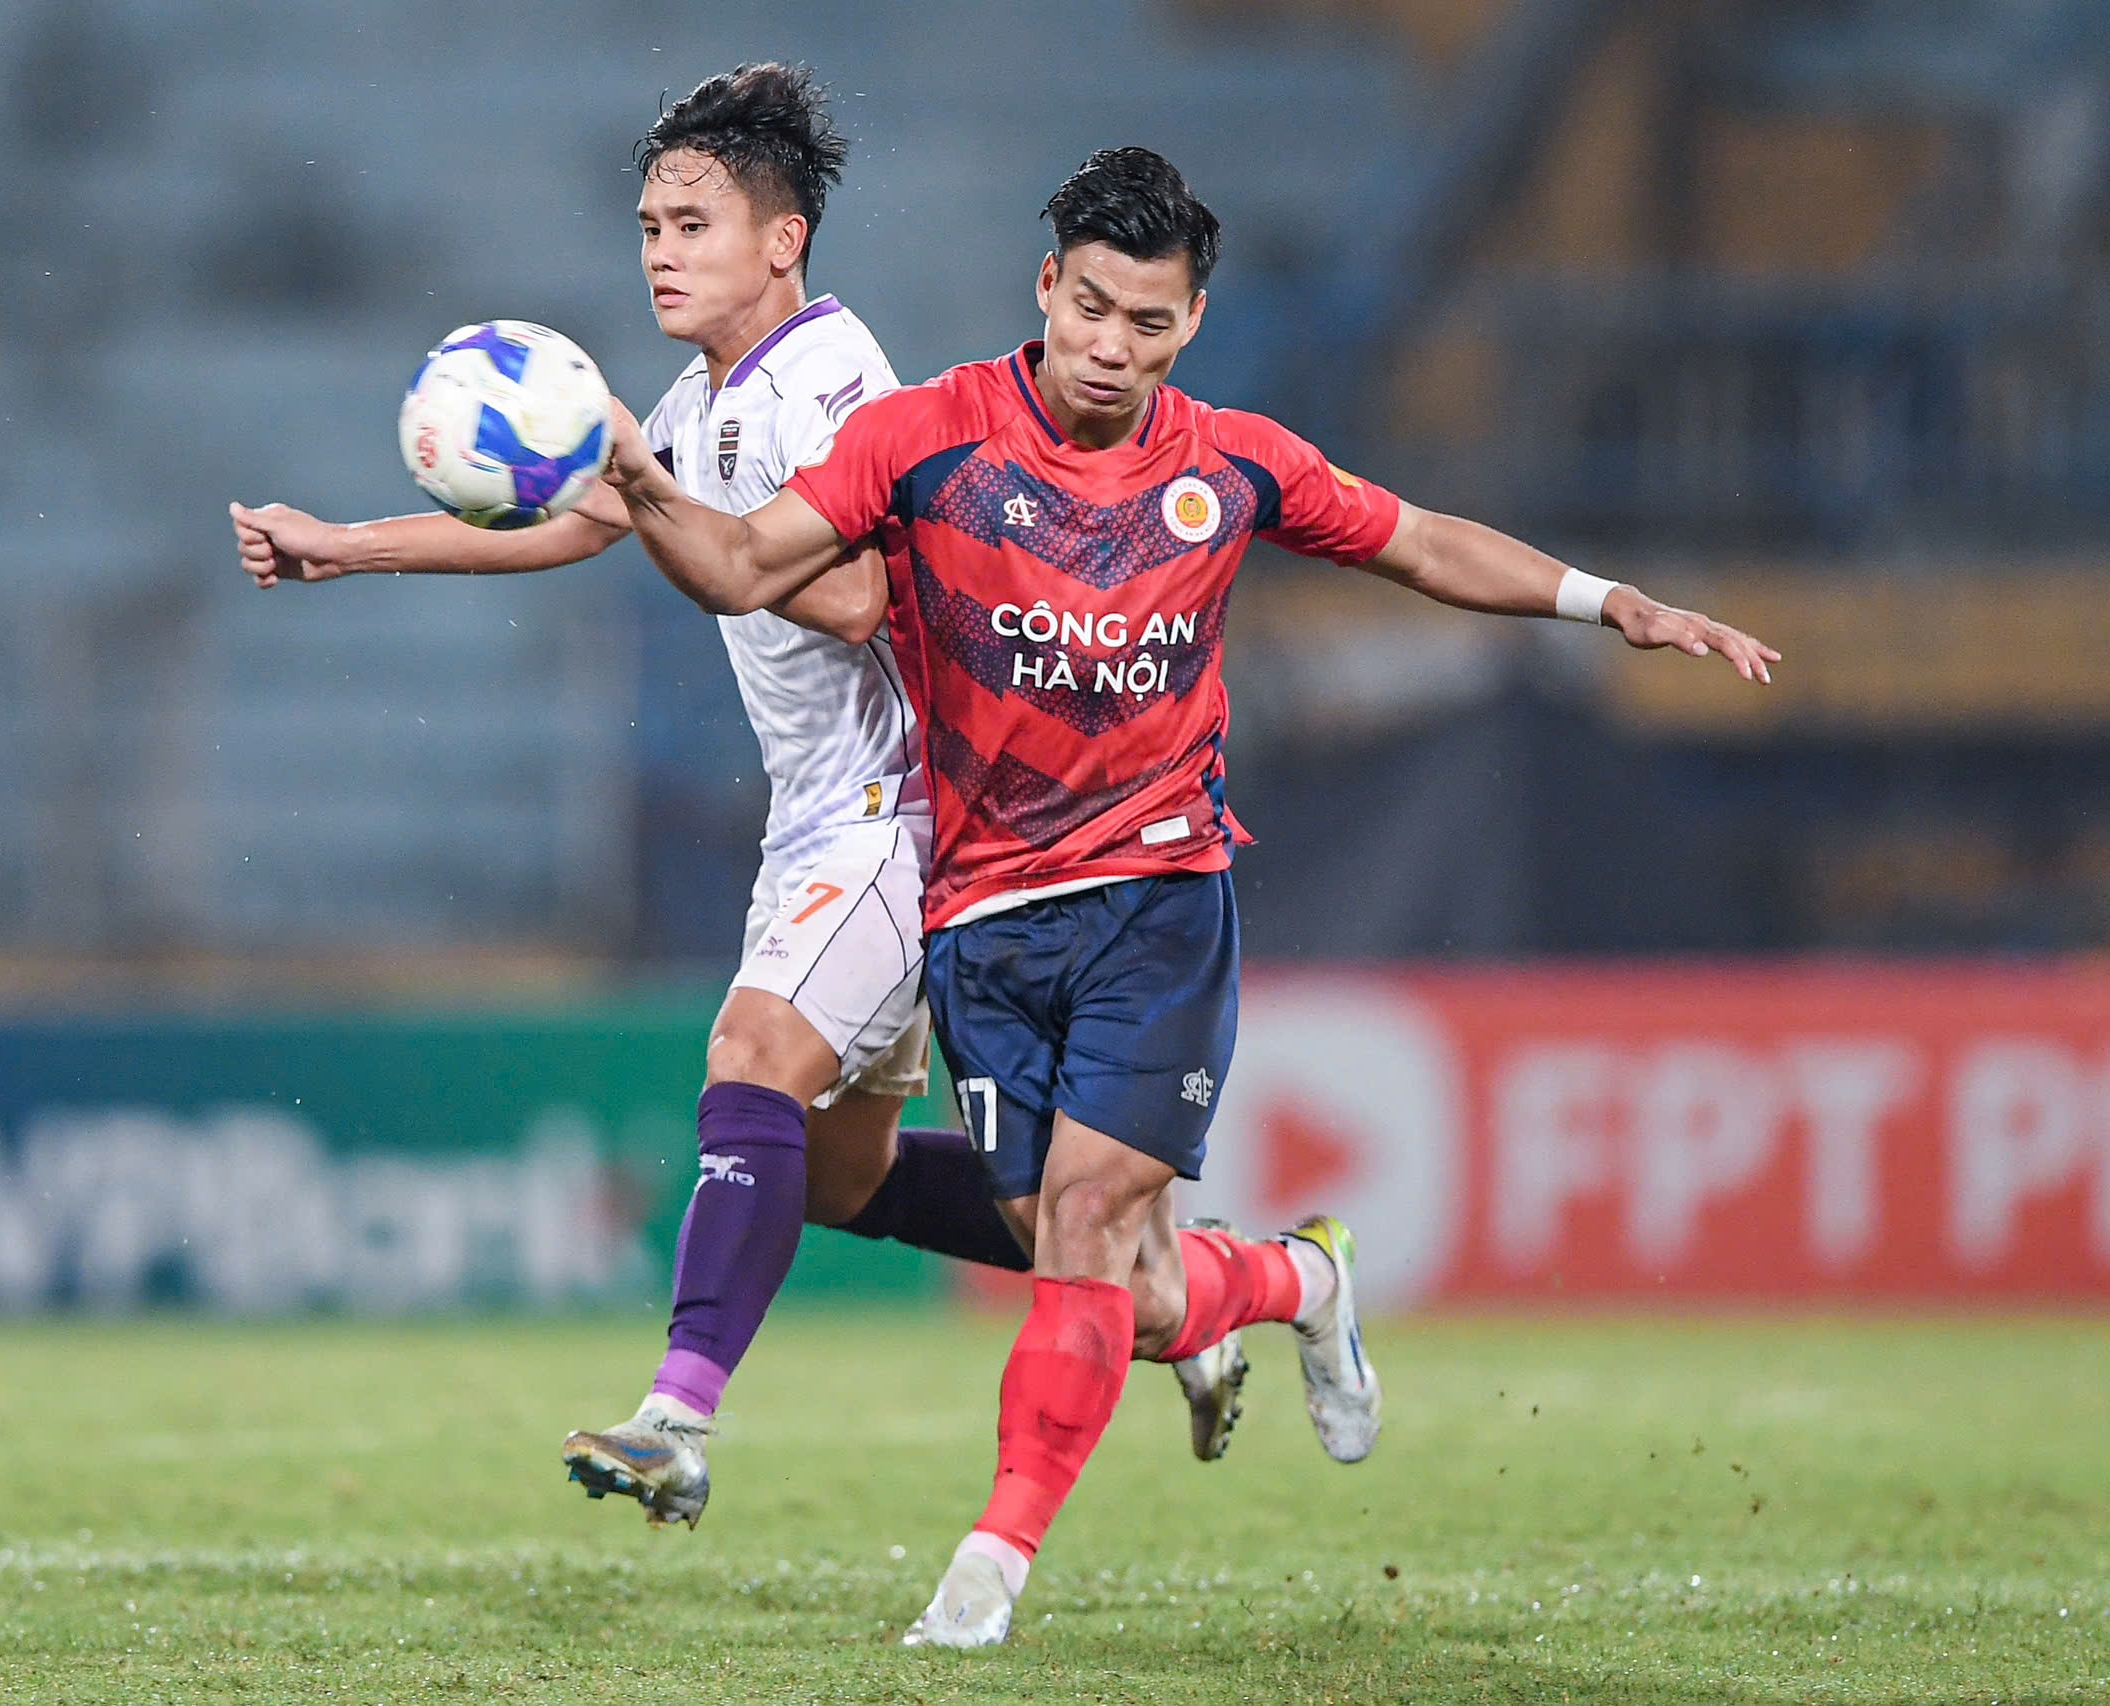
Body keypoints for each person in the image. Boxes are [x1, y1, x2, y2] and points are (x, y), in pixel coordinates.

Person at [600, 144, 1782, 1645]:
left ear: (1192, 324)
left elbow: (1415, 539)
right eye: (1091, 308)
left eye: (1147, 324)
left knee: (1087, 1222)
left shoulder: (1230, 462)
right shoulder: (923, 439)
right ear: (1047, 288)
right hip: (979, 917)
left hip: (1160, 896)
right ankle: (1295, 1279)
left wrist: (1603, 600)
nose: (1111, 348)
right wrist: (643, 482)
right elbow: (750, 562)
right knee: (1109, 1274)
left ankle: (990, 1567)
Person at [230, 74, 1242, 1532]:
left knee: (750, 1051)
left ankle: (677, 1417)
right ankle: (1196, 1286)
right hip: (822, 815)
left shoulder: (834, 384)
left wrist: (680, 515)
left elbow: (875, 590)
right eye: (649, 223)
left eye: (694, 223)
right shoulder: (711, 397)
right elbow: (588, 514)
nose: (661, 250)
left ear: (785, 239)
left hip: (911, 809)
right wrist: (348, 544)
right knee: (846, 1176)